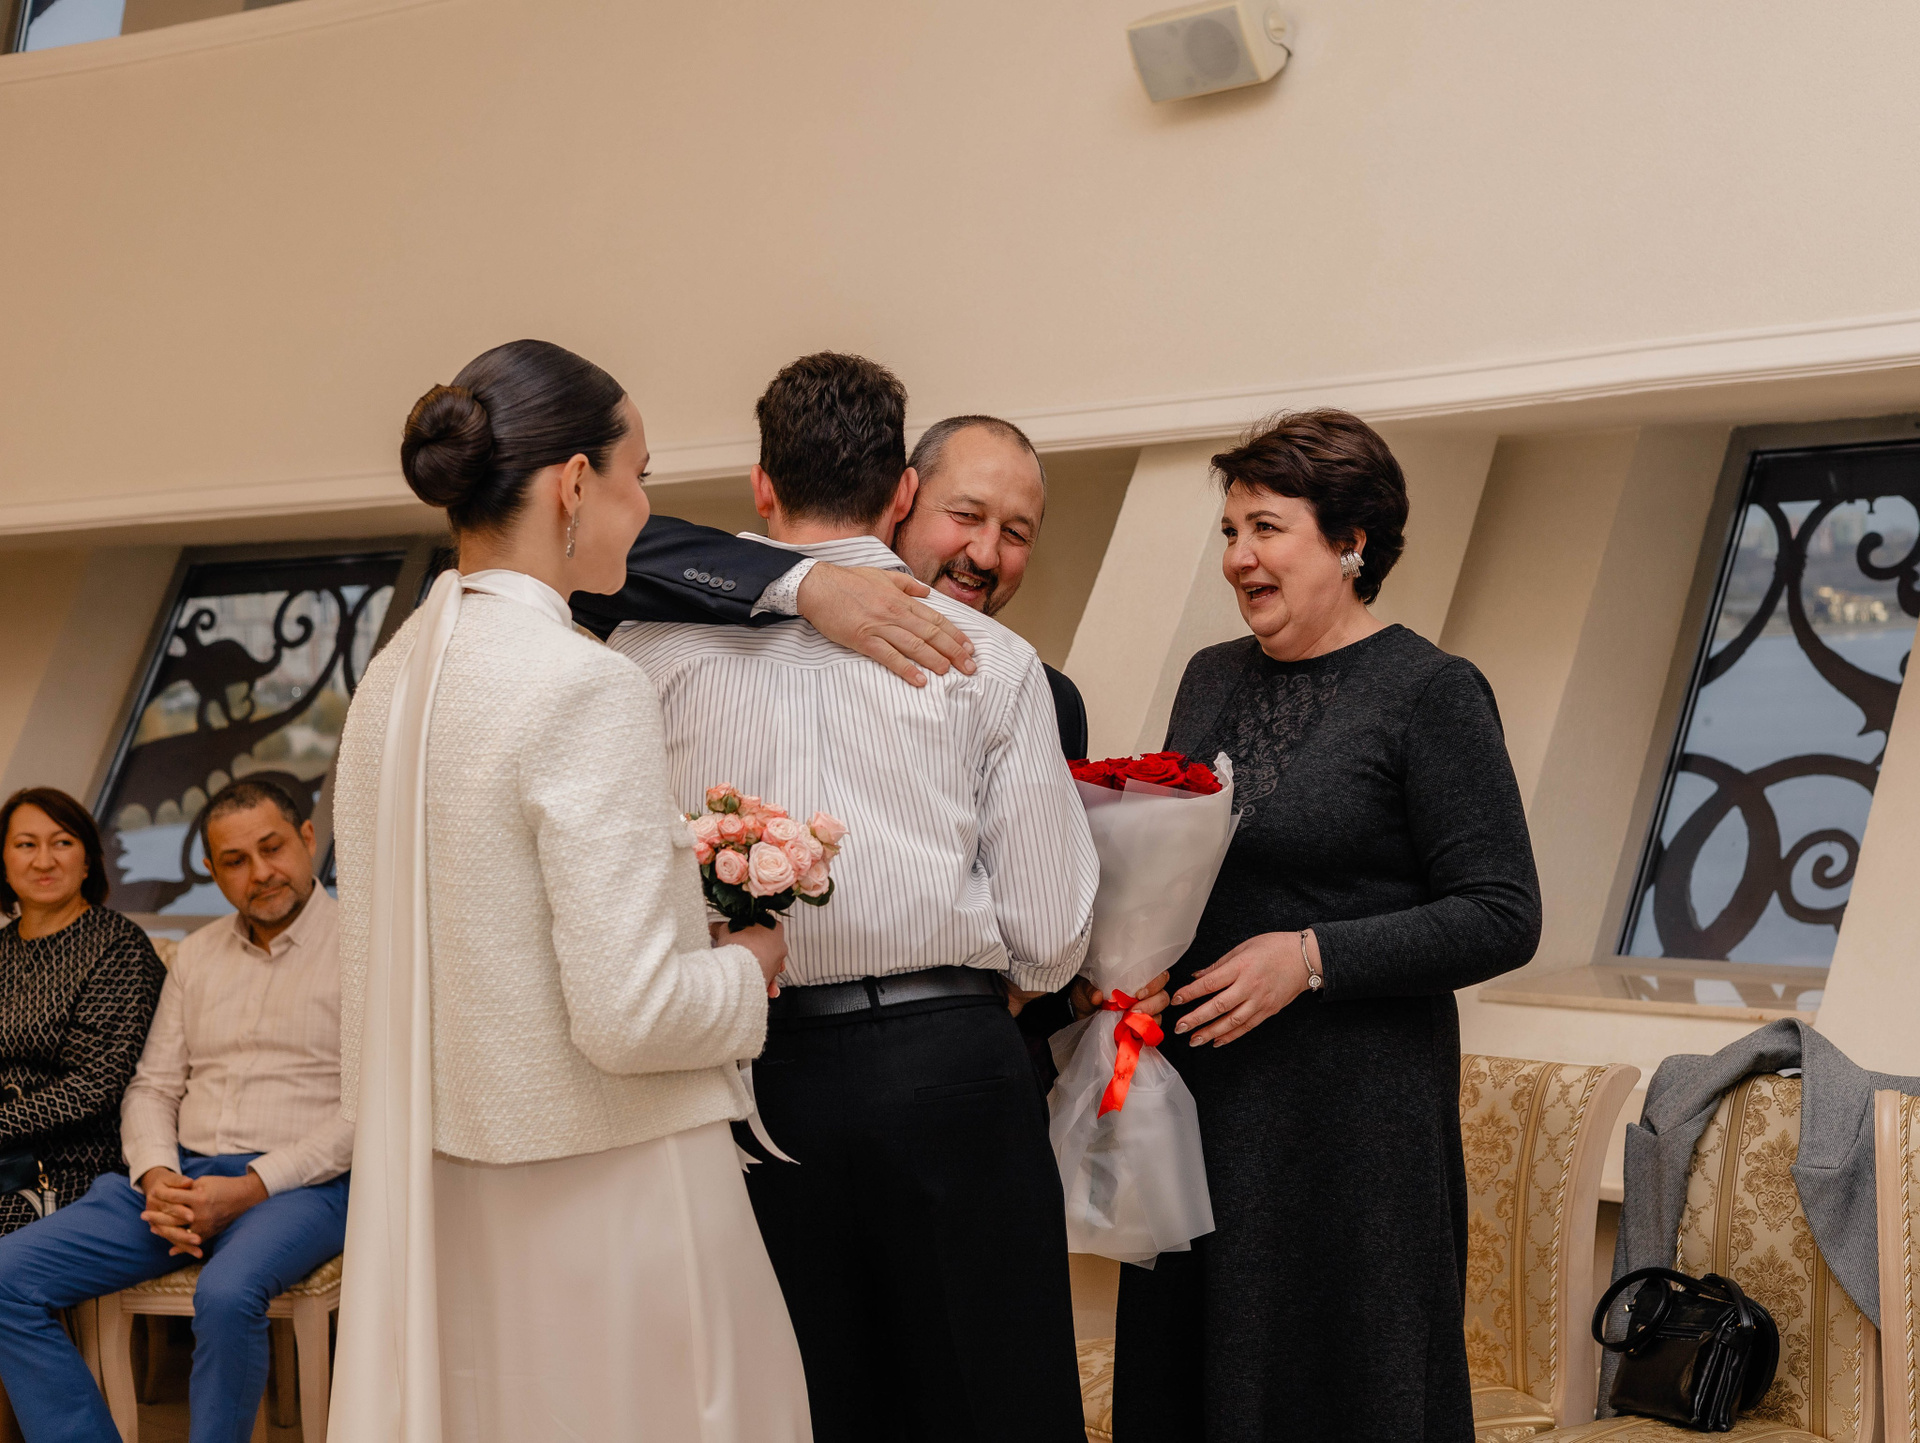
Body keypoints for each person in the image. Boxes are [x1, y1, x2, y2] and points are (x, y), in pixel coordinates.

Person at [609, 352, 1100, 1443]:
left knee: (796, 1404)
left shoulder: (642, 655)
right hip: (952, 1068)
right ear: (904, 493)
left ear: (761, 486)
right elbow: (1051, 936)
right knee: (992, 1402)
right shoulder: (992, 659)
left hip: (742, 1072)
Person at [329, 338, 808, 1443]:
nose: (645, 508)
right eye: (640, 475)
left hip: (451, 1189)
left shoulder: (391, 682)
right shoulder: (583, 682)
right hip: (614, 1190)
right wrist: (748, 964)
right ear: (575, 483)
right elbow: (633, 1015)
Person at [1111, 410, 1543, 1443]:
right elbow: (1189, 859)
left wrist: (1311, 958)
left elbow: (1503, 913)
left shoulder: (1431, 692)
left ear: (1351, 542)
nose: (1238, 557)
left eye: (1266, 529)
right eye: (1230, 532)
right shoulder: (1210, 676)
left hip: (1352, 1137)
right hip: (1203, 1106)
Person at [0, 778, 353, 1443]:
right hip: (180, 1177)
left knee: (226, 1293)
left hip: (302, 1186)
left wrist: (251, 1185)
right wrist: (158, 1174)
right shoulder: (197, 955)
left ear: (308, 839)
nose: (260, 873)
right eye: (235, 860)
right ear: (213, 870)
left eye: (272, 848)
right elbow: (152, 1088)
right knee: (5, 1277)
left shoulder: (365, 950)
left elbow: (371, 1110)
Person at [0, 788, 166, 1233]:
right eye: (26, 844)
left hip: (71, 1170)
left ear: (88, 860)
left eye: (62, 842)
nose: (44, 860)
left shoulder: (120, 948)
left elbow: (94, 1086)